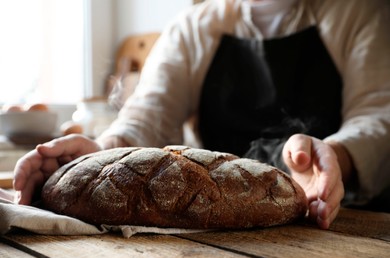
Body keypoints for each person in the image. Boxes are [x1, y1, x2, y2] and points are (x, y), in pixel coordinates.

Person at [11, 0, 390, 230]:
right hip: (211, 224)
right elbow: (145, 118)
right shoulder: (192, 27)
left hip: (334, 215)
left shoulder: (359, 13)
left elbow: (378, 115)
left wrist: (334, 157)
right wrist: (100, 155)